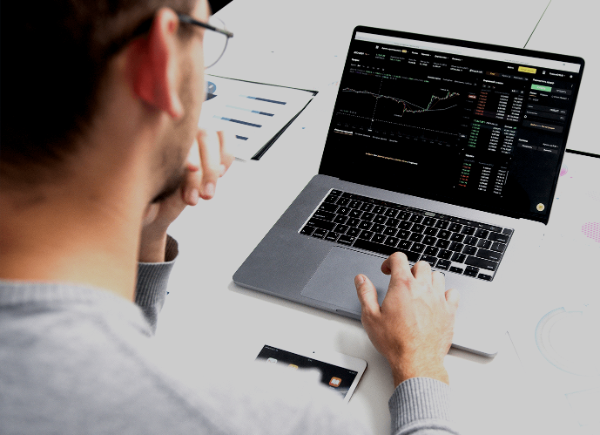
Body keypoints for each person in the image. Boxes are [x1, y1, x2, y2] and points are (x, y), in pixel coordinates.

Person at [0, 0, 460, 434]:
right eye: (204, 33)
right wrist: (420, 363)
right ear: (158, 61)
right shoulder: (269, 419)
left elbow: (89, 371)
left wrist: (145, 231)